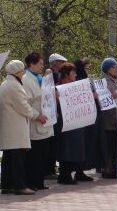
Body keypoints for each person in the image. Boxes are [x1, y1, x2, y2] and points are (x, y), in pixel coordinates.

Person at [0, 60, 41, 195]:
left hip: (9, 127)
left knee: (8, 158)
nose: (23, 73)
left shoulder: (5, 84)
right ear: (18, 72)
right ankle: (20, 186)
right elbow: (23, 106)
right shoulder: (14, 86)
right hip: (16, 127)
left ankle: (7, 185)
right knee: (18, 159)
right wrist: (36, 115)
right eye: (22, 70)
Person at [23, 52, 53, 190]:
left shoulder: (40, 78)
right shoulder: (26, 80)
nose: (42, 66)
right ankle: (32, 182)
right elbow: (25, 103)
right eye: (40, 64)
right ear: (31, 64)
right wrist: (36, 115)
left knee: (43, 155)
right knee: (34, 156)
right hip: (36, 123)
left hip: (45, 122)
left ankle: (39, 182)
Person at [56, 63, 86, 185]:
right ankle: (64, 175)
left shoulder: (75, 87)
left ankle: (70, 173)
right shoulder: (58, 88)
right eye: (73, 73)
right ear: (66, 74)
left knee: (75, 149)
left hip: (75, 123)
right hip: (64, 124)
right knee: (65, 149)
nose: (76, 75)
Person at [101, 58, 117, 178]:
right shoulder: (104, 81)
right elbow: (102, 96)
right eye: (113, 67)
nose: (116, 69)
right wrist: (112, 95)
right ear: (107, 69)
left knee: (116, 144)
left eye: (116, 66)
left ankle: (116, 168)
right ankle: (108, 169)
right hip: (110, 117)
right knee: (110, 144)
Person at [45, 53, 68, 179]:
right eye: (61, 62)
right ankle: (48, 169)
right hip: (52, 112)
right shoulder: (49, 75)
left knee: (56, 142)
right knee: (51, 141)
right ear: (55, 63)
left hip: (59, 111)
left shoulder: (60, 75)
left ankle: (52, 168)